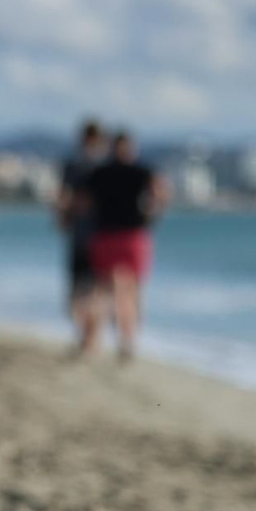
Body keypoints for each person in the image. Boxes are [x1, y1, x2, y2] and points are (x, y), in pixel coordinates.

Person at [82, 131, 171, 360]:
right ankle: (128, 340)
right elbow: (162, 192)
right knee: (130, 291)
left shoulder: (99, 173)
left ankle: (93, 341)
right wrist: (153, 214)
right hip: (133, 236)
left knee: (103, 291)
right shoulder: (141, 171)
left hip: (104, 236)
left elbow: (84, 204)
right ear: (131, 148)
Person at [54, 119, 106, 354]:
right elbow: (63, 199)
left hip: (98, 240)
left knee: (89, 294)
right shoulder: (75, 166)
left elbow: (64, 199)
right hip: (84, 239)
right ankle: (89, 339)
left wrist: (64, 214)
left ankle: (90, 341)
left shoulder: (103, 168)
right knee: (80, 297)